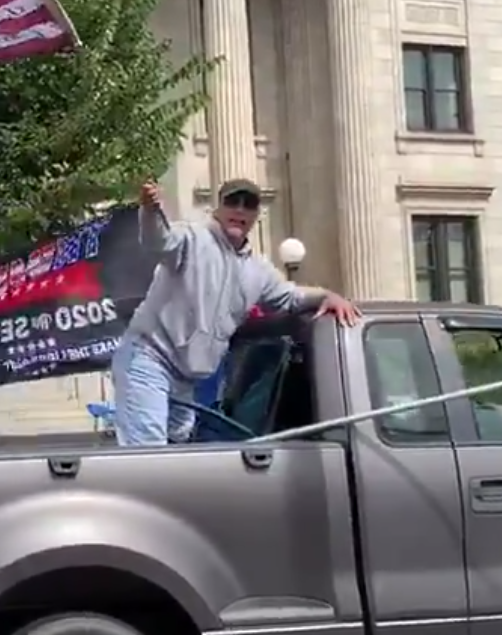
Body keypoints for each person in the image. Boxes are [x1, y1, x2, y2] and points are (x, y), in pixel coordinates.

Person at [111, 177, 363, 446]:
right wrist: (150, 210)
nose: (240, 210)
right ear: (217, 208)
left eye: (249, 204)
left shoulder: (259, 270)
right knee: (148, 454)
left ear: (257, 215)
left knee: (178, 454)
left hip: (186, 379)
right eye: (232, 202)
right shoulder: (192, 239)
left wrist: (327, 295)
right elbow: (158, 240)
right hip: (149, 358)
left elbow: (288, 297)